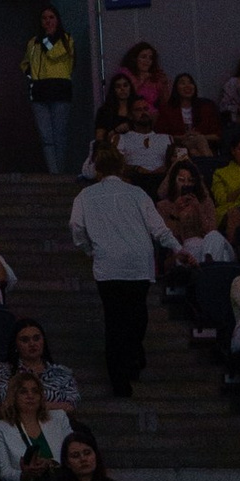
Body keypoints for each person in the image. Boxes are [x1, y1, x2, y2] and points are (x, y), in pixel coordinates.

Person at [69, 139, 178, 397]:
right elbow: (157, 228)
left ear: (97, 170)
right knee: (137, 314)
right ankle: (132, 356)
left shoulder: (85, 196)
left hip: (108, 264)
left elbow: (76, 228)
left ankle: (119, 376)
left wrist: (89, 249)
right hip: (138, 263)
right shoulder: (137, 194)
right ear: (122, 168)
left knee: (115, 320)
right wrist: (177, 248)